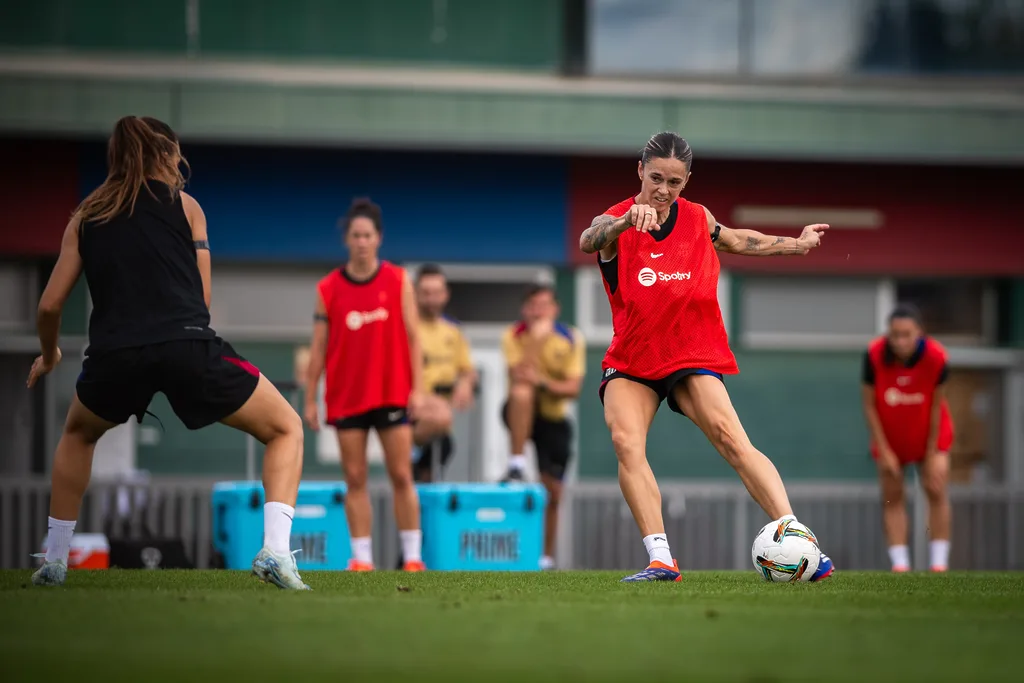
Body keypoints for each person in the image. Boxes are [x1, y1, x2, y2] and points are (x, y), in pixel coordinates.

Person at [28, 116, 308, 589]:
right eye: (176, 153)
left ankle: (54, 561)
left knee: (77, 435)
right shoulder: (187, 206)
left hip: (115, 355)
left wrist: (50, 352)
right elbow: (203, 299)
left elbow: (50, 305)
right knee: (287, 427)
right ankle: (276, 554)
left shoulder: (84, 217)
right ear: (164, 154)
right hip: (186, 344)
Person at [579, 131, 833, 582]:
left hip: (691, 352)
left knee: (731, 438)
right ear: (640, 171)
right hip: (633, 358)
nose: (664, 190)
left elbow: (735, 239)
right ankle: (661, 559)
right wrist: (623, 223)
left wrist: (797, 244)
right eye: (656, 178)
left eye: (675, 182)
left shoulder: (697, 217)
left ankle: (798, 540)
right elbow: (589, 239)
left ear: (687, 180)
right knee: (625, 442)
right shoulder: (615, 220)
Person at [303, 198, 426, 572]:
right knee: (354, 478)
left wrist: (418, 388)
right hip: (347, 395)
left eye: (367, 235)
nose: (361, 242)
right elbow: (318, 347)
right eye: (355, 235)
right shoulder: (328, 288)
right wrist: (310, 398)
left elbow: (414, 337)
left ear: (379, 238)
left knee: (401, 475)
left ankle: (413, 558)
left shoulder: (398, 280)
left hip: (392, 391)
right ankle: (362, 559)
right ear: (347, 239)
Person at [862, 304, 954, 572]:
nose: (900, 341)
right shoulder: (873, 355)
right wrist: (884, 450)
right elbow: (869, 405)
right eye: (895, 335)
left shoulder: (936, 356)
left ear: (919, 333)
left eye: (906, 335)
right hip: (891, 439)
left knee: (936, 489)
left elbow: (936, 405)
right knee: (892, 496)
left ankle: (939, 563)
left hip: (930, 436)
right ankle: (900, 564)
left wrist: (933, 453)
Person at [500, 284, 585, 571]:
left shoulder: (570, 337)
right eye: (533, 306)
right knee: (522, 392)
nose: (539, 312)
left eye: (544, 306)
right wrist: (536, 341)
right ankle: (516, 463)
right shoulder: (513, 335)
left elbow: (573, 388)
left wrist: (544, 383)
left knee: (553, 493)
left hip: (553, 418)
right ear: (525, 310)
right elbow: (519, 375)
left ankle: (545, 558)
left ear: (555, 309)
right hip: (520, 413)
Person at [411, 264, 477, 482]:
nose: (431, 299)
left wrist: (465, 384)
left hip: (441, 418)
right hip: (409, 410)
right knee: (442, 417)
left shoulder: (453, 331)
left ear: (445, 294)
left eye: (436, 293)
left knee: (438, 458)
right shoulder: (405, 327)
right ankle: (406, 447)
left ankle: (416, 460)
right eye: (426, 293)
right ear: (415, 294)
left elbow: (467, 370)